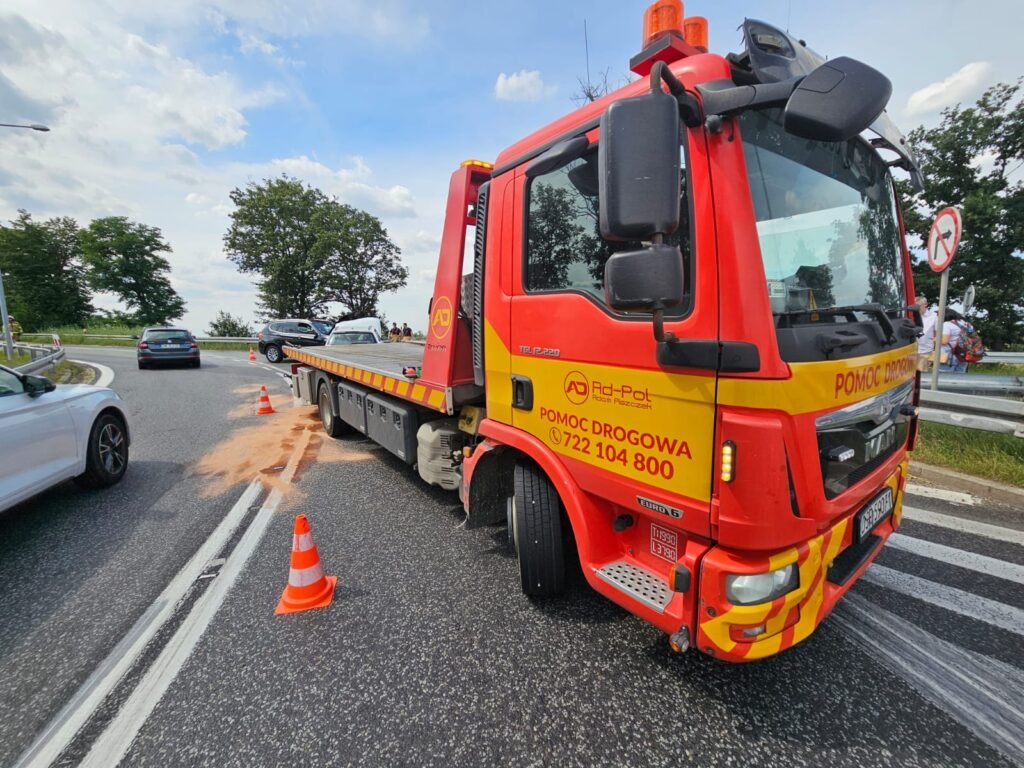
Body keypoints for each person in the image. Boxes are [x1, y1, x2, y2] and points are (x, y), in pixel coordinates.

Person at [938, 308, 968, 374]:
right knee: (958, 380)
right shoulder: (964, 323)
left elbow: (944, 341)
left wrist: (934, 339)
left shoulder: (947, 324)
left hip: (948, 356)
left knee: (943, 379)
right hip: (962, 355)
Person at [915, 295, 937, 372]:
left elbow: (938, 334)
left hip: (925, 351)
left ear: (925, 304)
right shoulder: (911, 315)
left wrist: (934, 350)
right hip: (910, 351)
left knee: (920, 374)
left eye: (918, 306)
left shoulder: (933, 316)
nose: (916, 308)